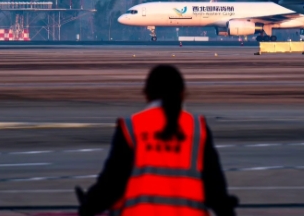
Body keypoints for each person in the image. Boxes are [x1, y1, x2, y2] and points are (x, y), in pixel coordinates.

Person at [76, 64, 238, 216]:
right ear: (182, 94)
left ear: (146, 94)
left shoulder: (132, 127)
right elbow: (215, 191)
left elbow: (111, 184)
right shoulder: (196, 128)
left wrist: (88, 205)